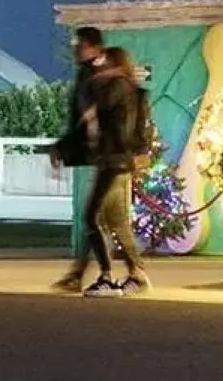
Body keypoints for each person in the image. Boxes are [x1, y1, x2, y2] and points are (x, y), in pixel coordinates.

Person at [77, 47, 151, 297]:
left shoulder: (116, 88)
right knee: (116, 220)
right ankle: (137, 274)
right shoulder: (131, 90)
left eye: (103, 62)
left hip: (113, 161)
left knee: (91, 217)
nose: (99, 66)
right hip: (118, 161)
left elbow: (109, 120)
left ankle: (106, 277)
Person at [50, 26, 106, 292]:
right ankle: (80, 273)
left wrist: (64, 145)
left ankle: (120, 273)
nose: (75, 50)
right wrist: (65, 146)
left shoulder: (102, 76)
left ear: (95, 47)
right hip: (102, 155)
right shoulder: (86, 74)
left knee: (94, 218)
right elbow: (80, 118)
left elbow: (92, 116)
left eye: (80, 45)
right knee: (97, 218)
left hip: (112, 156)